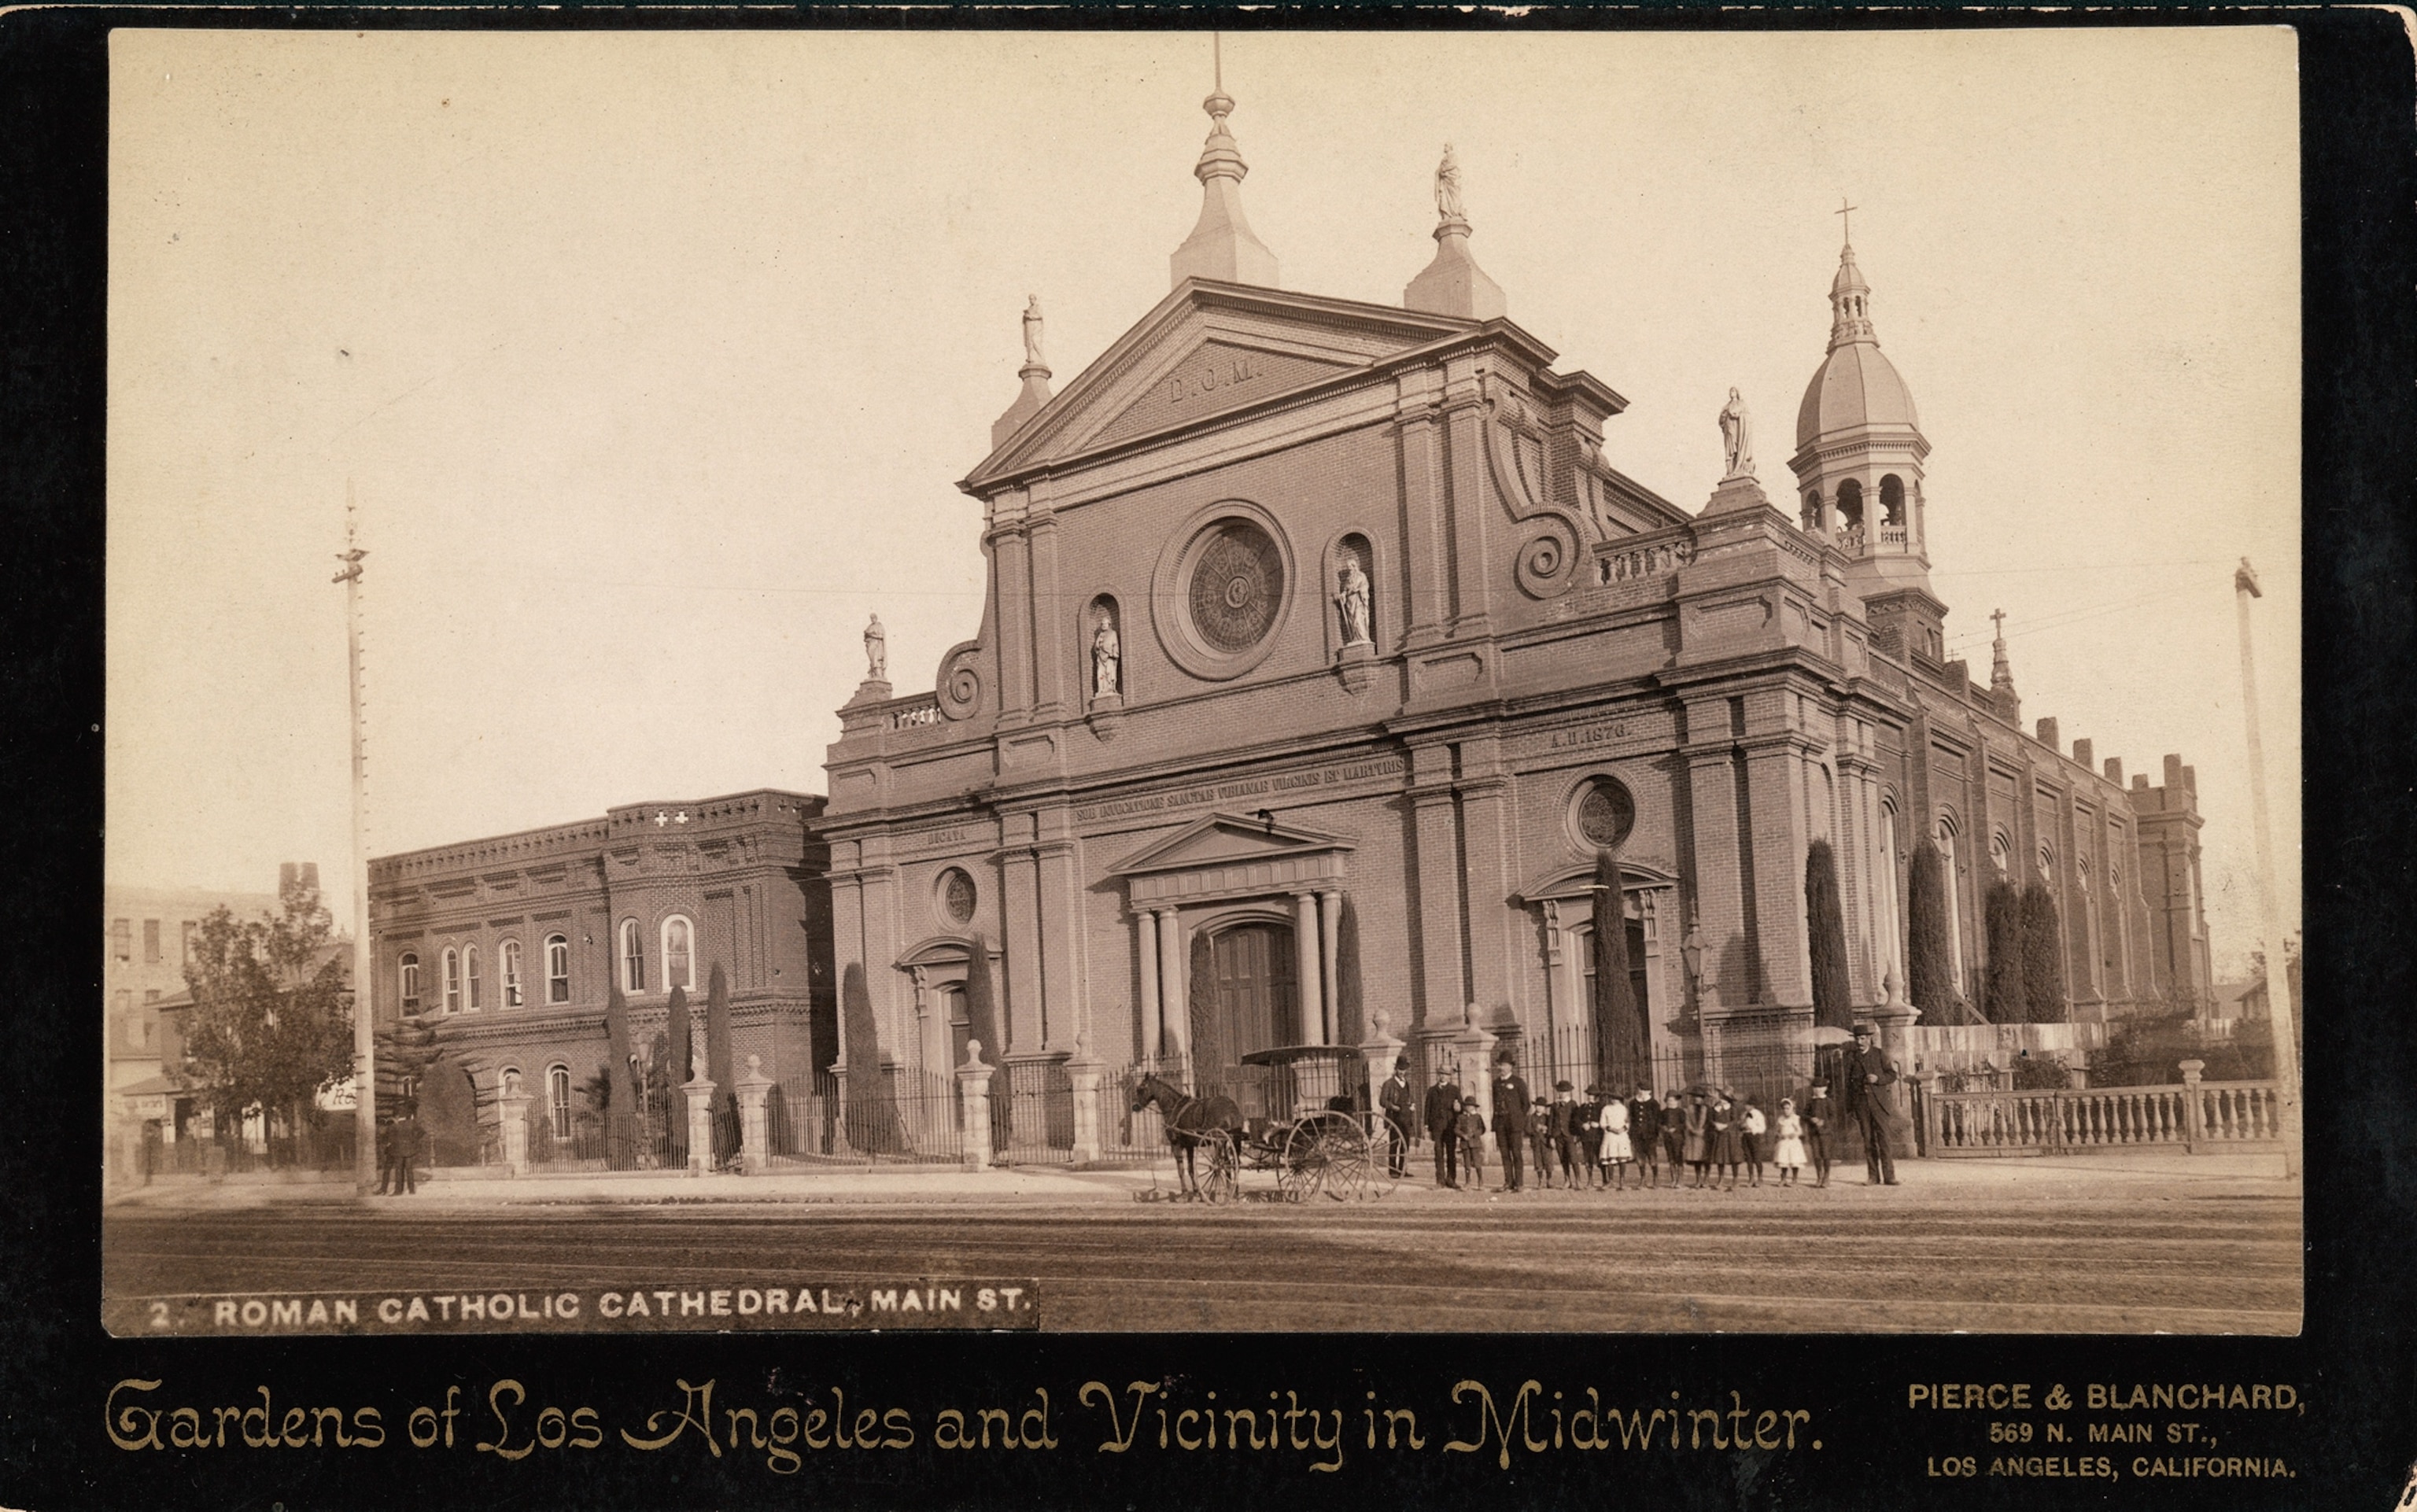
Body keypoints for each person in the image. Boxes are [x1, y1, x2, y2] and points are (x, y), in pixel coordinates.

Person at [1841, 1023, 1902, 1186]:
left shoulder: (1880, 1054)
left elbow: (1892, 1075)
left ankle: (1889, 1176)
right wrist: (1850, 1108)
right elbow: (1848, 1083)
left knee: (1884, 1140)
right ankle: (1873, 1176)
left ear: (1869, 1039)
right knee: (1868, 1141)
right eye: (1857, 1039)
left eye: (1862, 1038)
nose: (1859, 1042)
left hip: (1879, 1103)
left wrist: (1879, 1079)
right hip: (1861, 1105)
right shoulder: (1851, 1058)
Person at [1490, 1057, 1532, 1193]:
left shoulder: (1518, 1082)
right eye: (1500, 1065)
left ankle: (1519, 1183)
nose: (1501, 1068)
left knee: (1516, 1152)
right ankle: (1508, 1182)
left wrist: (1518, 1118)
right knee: (1504, 1153)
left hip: (1514, 1123)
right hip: (1501, 1123)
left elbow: (1526, 1104)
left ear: (1510, 1067)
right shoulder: (1496, 1083)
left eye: (1504, 1065)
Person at [1424, 1063, 1463, 1189]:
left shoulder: (1454, 1090)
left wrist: (1459, 1108)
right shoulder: (1432, 1091)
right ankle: (1440, 1180)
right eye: (1441, 1074)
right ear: (1438, 1075)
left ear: (1449, 1076)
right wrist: (1426, 1127)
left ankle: (1451, 1179)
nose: (1443, 1077)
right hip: (1437, 1126)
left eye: (1446, 1074)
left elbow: (1461, 1108)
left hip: (1450, 1126)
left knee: (1451, 1153)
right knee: (1438, 1153)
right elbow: (1427, 1109)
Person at [1378, 1057, 1417, 1181]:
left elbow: (1410, 1098)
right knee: (1394, 1144)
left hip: (1406, 1117)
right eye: (1400, 1069)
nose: (1402, 1072)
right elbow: (1382, 1101)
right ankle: (1393, 1170)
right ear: (1396, 1069)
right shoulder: (1389, 1084)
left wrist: (1412, 1105)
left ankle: (1403, 1170)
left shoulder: (1407, 1083)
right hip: (1395, 1118)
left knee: (1405, 1145)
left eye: (1404, 1069)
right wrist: (1393, 1107)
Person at [1548, 1082, 1585, 1189]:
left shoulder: (1573, 1104)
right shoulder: (1554, 1105)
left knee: (1573, 1158)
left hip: (1569, 1134)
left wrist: (1577, 1135)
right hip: (1558, 1135)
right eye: (1560, 1091)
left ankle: (1578, 1180)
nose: (1562, 1094)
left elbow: (1576, 1120)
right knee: (1563, 1158)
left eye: (1564, 1092)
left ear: (1569, 1092)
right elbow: (1551, 1121)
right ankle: (1567, 1180)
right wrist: (1551, 1137)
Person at [1597, 1089, 1633, 1191]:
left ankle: (1622, 1181)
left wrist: (1622, 1129)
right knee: (1610, 1158)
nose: (1614, 1100)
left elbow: (1628, 1122)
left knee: (1622, 1158)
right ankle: (1611, 1181)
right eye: (1612, 1098)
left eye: (1617, 1099)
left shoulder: (1624, 1109)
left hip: (1621, 1135)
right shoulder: (1606, 1109)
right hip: (1610, 1135)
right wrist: (1611, 1129)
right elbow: (1602, 1123)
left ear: (1620, 1100)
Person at [1629, 1086, 1663, 1189]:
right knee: (1640, 1157)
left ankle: (1655, 1178)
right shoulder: (1633, 1103)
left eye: (1644, 1090)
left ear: (1649, 1091)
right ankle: (1642, 1179)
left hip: (1650, 1135)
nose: (1641, 1092)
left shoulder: (1654, 1103)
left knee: (1652, 1157)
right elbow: (1632, 1118)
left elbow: (1658, 1119)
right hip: (1637, 1134)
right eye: (1640, 1090)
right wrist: (1632, 1133)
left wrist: (1657, 1134)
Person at [1772, 1097, 1808, 1187]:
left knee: (1794, 1160)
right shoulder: (1781, 1119)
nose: (1786, 1111)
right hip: (1784, 1141)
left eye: (1788, 1108)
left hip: (1793, 1142)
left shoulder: (1795, 1118)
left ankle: (1794, 1178)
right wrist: (1780, 1135)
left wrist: (1794, 1134)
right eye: (1784, 1109)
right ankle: (1783, 1178)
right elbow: (1777, 1130)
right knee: (1784, 1160)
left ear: (1792, 1109)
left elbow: (1799, 1131)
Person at [1709, 1093, 1742, 1191]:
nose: (1722, 1099)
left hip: (1731, 1136)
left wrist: (1726, 1126)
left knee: (1733, 1158)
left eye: (1724, 1098)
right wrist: (1715, 1124)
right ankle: (1721, 1179)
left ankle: (1735, 1179)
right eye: (1721, 1097)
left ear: (1728, 1099)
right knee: (1720, 1158)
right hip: (1720, 1136)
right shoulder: (1715, 1108)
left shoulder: (1732, 1109)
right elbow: (1711, 1119)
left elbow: (1735, 1121)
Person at [1804, 1082, 1834, 1188]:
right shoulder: (1811, 1102)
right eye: (1816, 1088)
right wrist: (1810, 1119)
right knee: (1816, 1156)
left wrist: (1824, 1122)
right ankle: (1819, 1176)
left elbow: (1833, 1117)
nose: (1818, 1090)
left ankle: (1826, 1177)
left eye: (1820, 1087)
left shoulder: (1828, 1101)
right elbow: (1804, 1115)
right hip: (1814, 1133)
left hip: (1826, 1133)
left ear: (1825, 1088)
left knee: (1826, 1155)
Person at [1454, 1097, 1487, 1189]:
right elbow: (1456, 1129)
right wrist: (1462, 1135)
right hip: (1465, 1144)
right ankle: (1468, 1182)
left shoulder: (1477, 1117)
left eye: (1471, 1106)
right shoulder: (1461, 1117)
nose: (1469, 1108)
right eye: (1467, 1106)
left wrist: (1474, 1134)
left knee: (1477, 1163)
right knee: (1467, 1164)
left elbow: (1482, 1129)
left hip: (1475, 1143)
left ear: (1474, 1107)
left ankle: (1481, 1181)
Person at [392, 1104, 424, 1196]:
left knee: (399, 1170)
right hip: (410, 1150)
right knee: (409, 1170)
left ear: (397, 1116)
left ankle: (398, 1191)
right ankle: (412, 1190)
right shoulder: (412, 1123)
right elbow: (422, 1132)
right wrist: (414, 1139)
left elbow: (392, 1139)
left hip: (399, 1151)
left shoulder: (395, 1126)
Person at [1682, 1090, 1712, 1188]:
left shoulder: (1707, 1108)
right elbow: (1687, 1121)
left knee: (1706, 1159)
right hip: (1694, 1137)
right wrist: (1692, 1130)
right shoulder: (1690, 1108)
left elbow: (1709, 1121)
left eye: (1699, 1097)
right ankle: (1698, 1179)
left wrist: (1703, 1130)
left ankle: (1706, 1179)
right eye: (1695, 1097)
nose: (1697, 1099)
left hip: (1705, 1136)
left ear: (1703, 1098)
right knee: (1697, 1160)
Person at [1660, 1090, 1688, 1188]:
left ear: (1677, 1101)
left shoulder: (1681, 1112)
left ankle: (1680, 1180)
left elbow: (1684, 1124)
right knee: (1671, 1158)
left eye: (1672, 1100)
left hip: (1678, 1138)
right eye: (1668, 1100)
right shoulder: (1663, 1112)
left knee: (1678, 1157)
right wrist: (1664, 1128)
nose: (1670, 1102)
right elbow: (1661, 1123)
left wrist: (1675, 1128)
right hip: (1668, 1137)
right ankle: (1673, 1179)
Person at [1740, 1098, 1769, 1189]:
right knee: (1748, 1158)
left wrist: (1751, 1128)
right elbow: (1741, 1125)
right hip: (1745, 1136)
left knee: (1757, 1158)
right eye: (1745, 1105)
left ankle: (1760, 1178)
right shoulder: (1744, 1114)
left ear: (1753, 1106)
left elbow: (1762, 1128)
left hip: (1754, 1137)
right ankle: (1751, 1178)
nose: (1746, 1106)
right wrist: (1742, 1126)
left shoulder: (1758, 1114)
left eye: (1748, 1105)